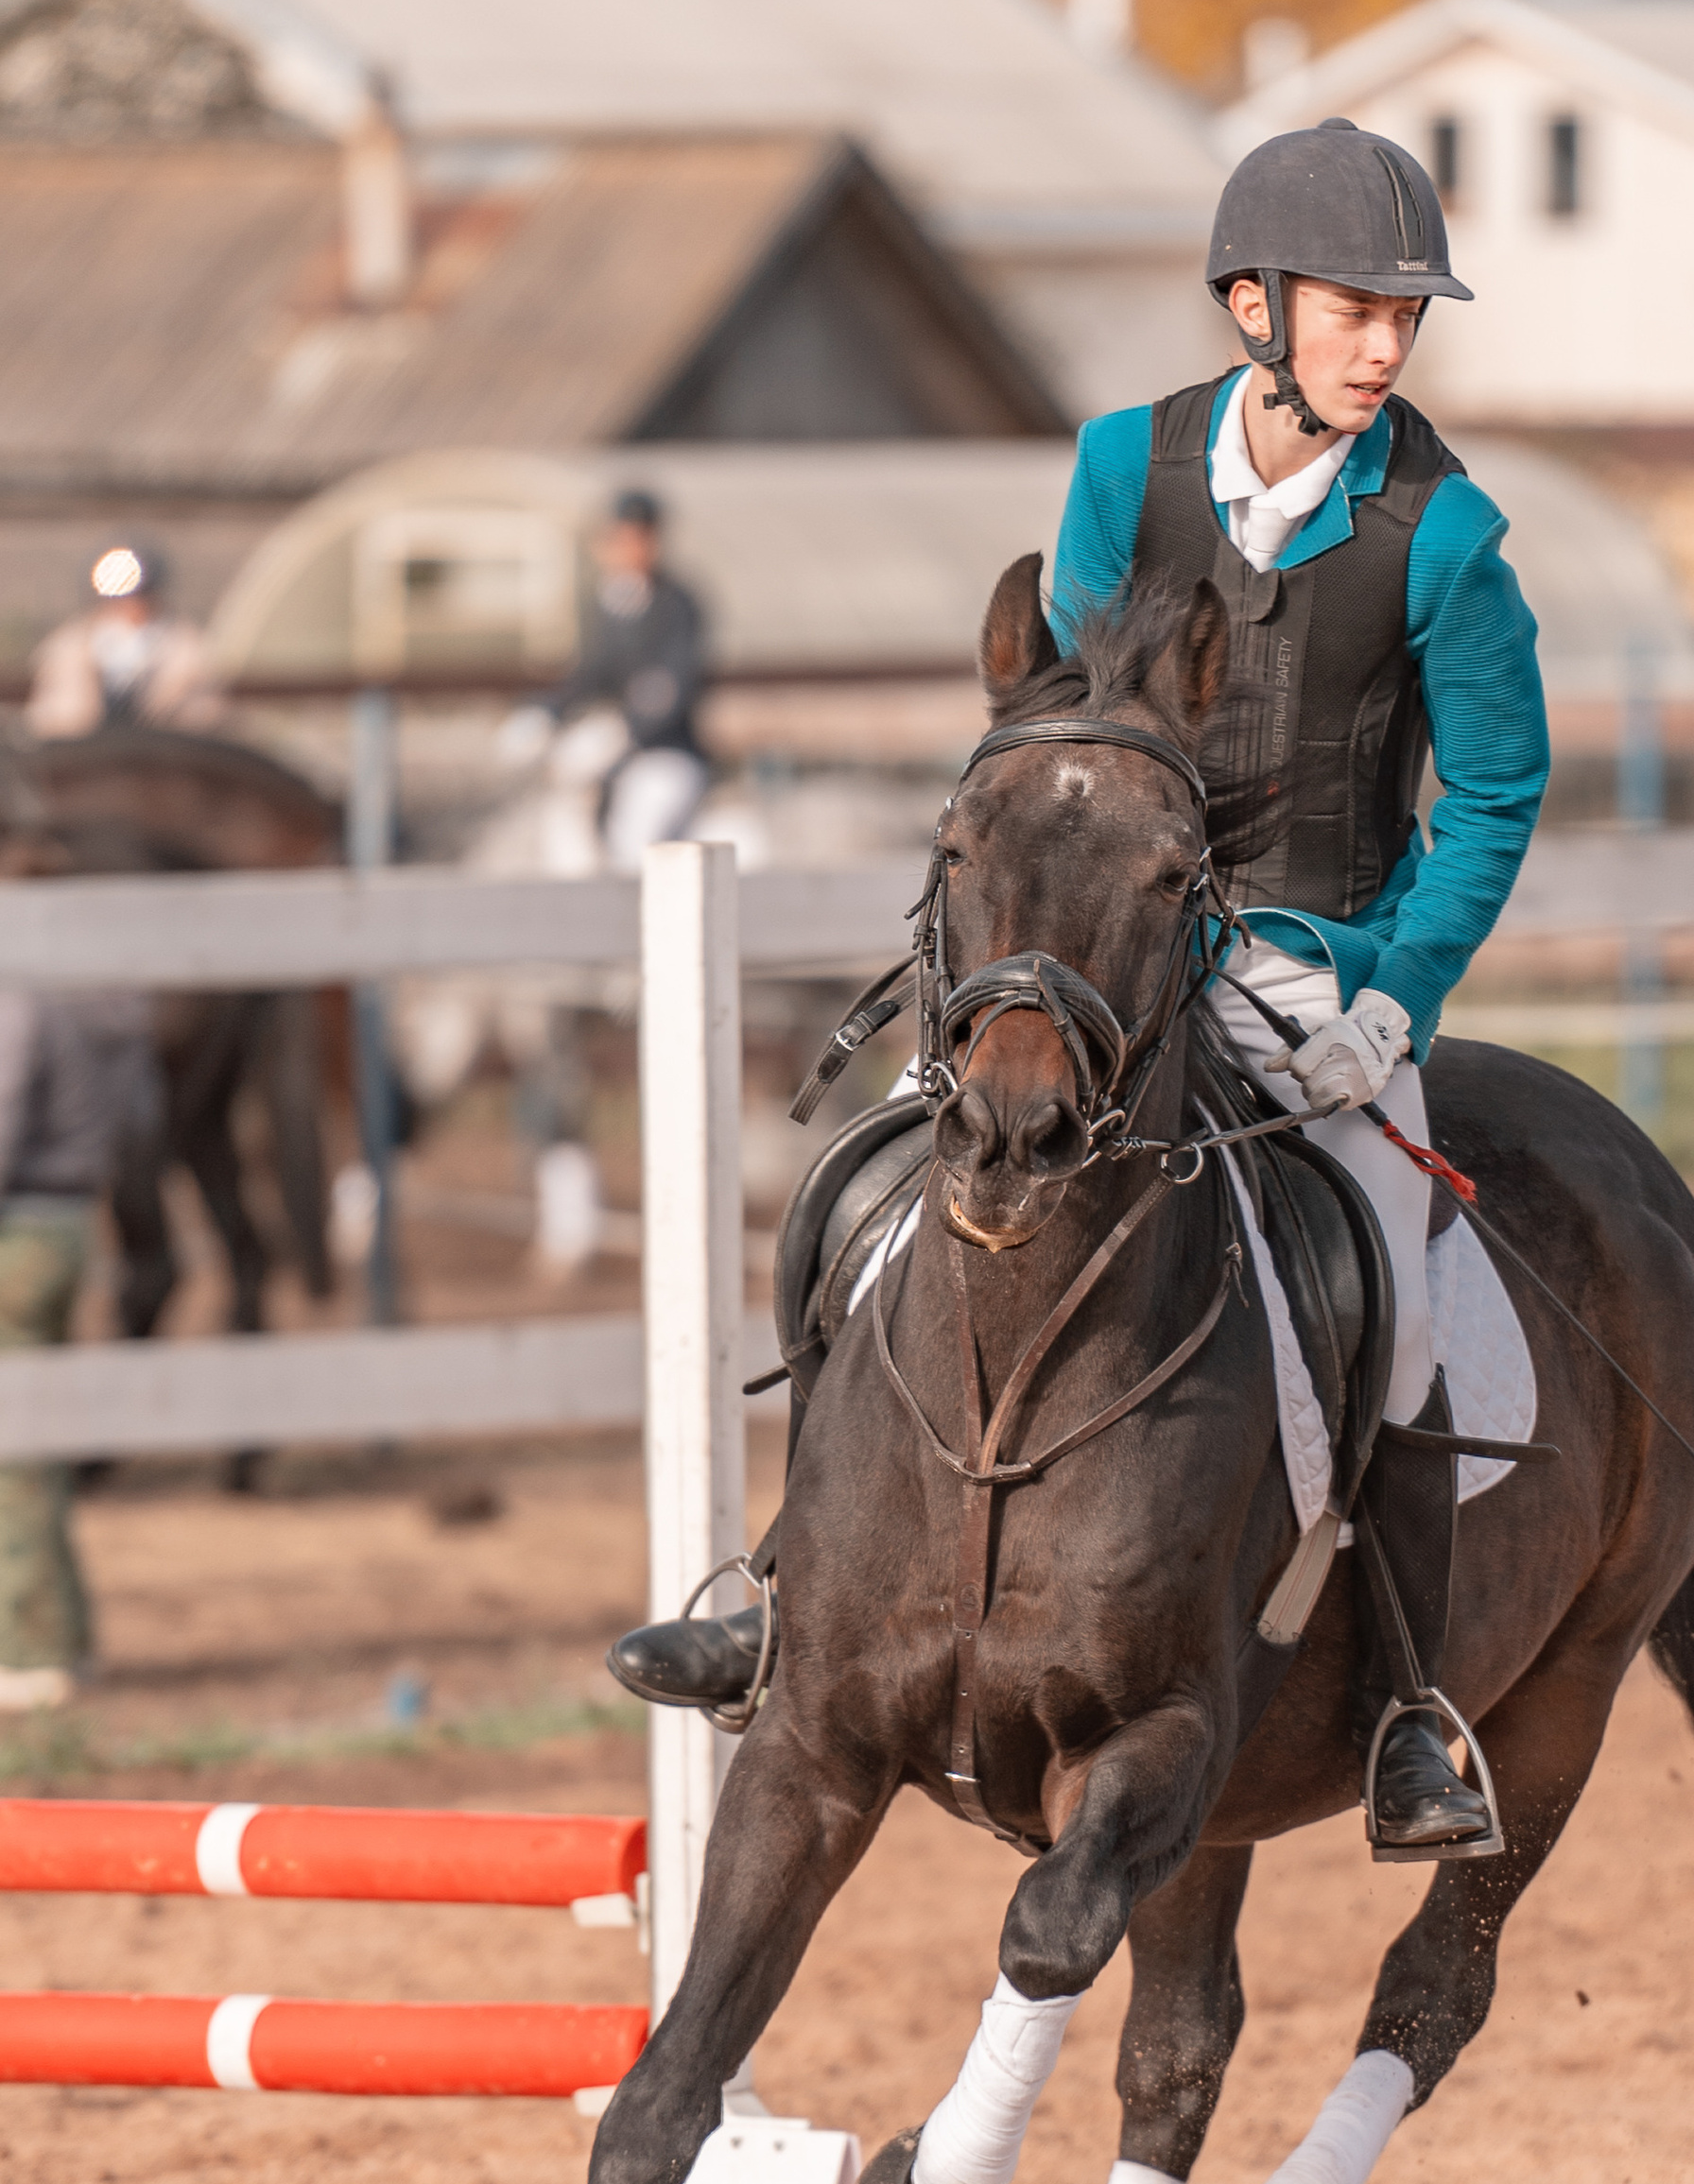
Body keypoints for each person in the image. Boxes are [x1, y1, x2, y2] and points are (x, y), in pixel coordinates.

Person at [609, 118, 1552, 1853]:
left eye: (1405, 317)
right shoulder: (1124, 466)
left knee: (1399, 1290)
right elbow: (1065, 713)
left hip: (1318, 971)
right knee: (866, 1194)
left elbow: (1495, 796)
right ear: (1255, 305)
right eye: (1357, 310)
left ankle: (1412, 1708)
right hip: (1111, 956)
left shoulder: (1447, 536)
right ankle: (789, 1591)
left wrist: (1394, 1003)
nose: (1387, 345)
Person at [0, 849, 162, 1706]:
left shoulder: (22, 1000)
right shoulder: (112, 1006)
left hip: (17, 1225)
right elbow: (142, 1120)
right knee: (36, 1438)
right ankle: (64, 1633)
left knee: (13, 1449)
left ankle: (29, 1648)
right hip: (72, 1219)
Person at [504, 489, 713, 867]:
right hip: (616, 760)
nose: (629, 550)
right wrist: (545, 712)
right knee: (566, 820)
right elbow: (587, 674)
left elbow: (670, 687)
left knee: (639, 835)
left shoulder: (677, 605)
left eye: (640, 539)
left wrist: (623, 731)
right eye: (621, 539)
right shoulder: (604, 604)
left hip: (665, 753)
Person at [27, 545, 225, 741]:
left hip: (164, 751)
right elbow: (53, 715)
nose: (130, 603)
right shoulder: (71, 647)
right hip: (86, 752)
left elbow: (203, 715)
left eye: (139, 594)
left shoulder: (185, 647)